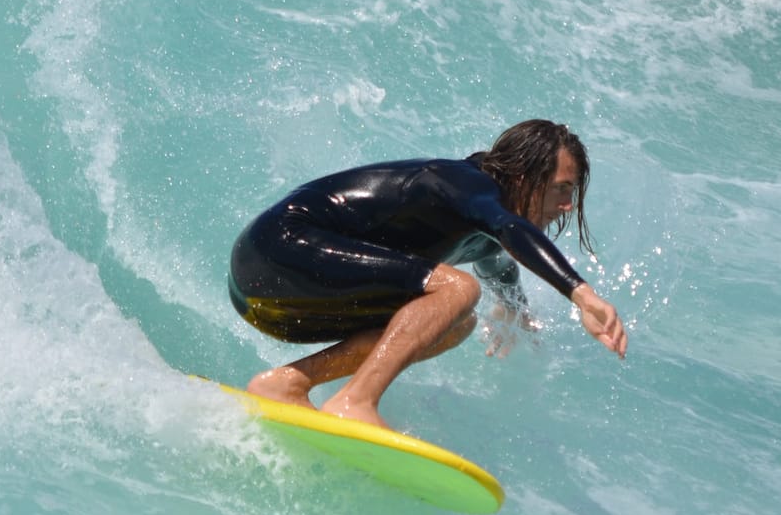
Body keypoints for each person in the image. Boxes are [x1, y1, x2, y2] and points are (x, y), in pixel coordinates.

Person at [227, 119, 628, 431]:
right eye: (562, 189)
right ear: (524, 178)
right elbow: (511, 233)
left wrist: (514, 308)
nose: (567, 205)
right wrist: (581, 294)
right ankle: (355, 402)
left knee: (455, 323)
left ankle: (286, 383)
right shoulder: (467, 184)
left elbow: (499, 261)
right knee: (457, 288)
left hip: (282, 294)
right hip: (275, 250)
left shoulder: (485, 227)